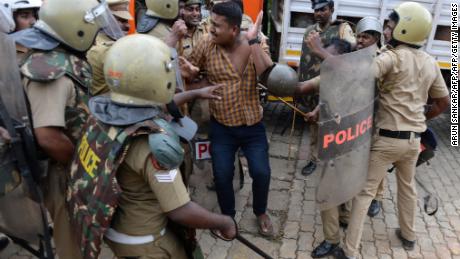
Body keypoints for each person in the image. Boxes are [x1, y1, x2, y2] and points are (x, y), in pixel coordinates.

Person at [67, 34, 236, 258]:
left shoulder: (102, 116)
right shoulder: (152, 145)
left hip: (114, 229)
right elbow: (180, 211)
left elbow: (156, 105)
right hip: (147, 242)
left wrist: (195, 93)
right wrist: (224, 221)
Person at [334, 3, 450, 258]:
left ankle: (349, 250)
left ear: (406, 28)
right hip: (413, 142)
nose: (387, 30)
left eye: (391, 25)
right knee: (407, 188)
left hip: (386, 140)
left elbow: (361, 75)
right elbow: (443, 102)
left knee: (364, 194)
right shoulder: (430, 62)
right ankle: (408, 236)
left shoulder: (392, 57)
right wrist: (421, 118)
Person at [12, 0, 117, 257]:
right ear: (75, 29)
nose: (97, 34)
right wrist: (81, 166)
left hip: (68, 167)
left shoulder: (57, 56)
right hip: (62, 174)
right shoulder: (51, 72)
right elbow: (48, 136)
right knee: (73, 243)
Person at [183, 1, 275, 237]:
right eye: (210, 23)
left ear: (234, 29)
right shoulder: (206, 45)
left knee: (262, 172)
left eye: (216, 25)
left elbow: (269, 74)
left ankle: (261, 212)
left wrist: (254, 41)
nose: (211, 29)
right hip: (222, 126)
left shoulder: (255, 42)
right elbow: (190, 74)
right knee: (222, 174)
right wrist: (195, 77)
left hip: (253, 125)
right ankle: (228, 217)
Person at [298, 0, 356, 176]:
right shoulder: (309, 31)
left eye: (323, 9)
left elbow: (352, 47)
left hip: (335, 85)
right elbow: (303, 58)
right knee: (315, 125)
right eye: (316, 10)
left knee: (336, 125)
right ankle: (313, 159)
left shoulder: (341, 28)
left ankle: (335, 161)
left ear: (331, 9)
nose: (318, 13)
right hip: (312, 85)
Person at [86, 0, 133, 96]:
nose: (128, 26)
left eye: (127, 21)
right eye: (121, 20)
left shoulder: (92, 40)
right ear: (104, 19)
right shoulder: (107, 50)